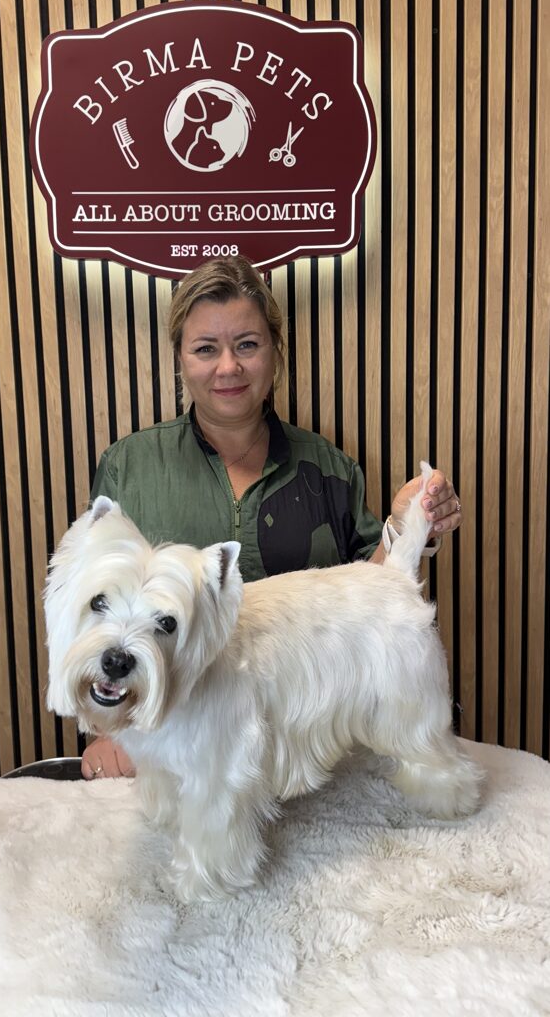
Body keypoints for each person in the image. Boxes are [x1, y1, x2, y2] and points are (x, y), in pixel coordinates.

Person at [82, 255, 462, 779]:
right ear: (180, 358)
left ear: (275, 352)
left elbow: (377, 607)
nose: (228, 367)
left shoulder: (329, 469)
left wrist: (404, 527)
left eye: (247, 345)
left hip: (319, 754)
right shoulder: (129, 469)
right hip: (172, 751)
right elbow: (95, 611)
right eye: (205, 348)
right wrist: (111, 724)